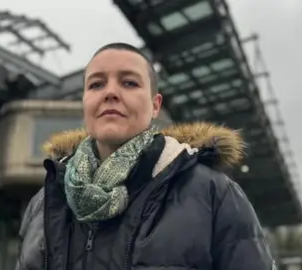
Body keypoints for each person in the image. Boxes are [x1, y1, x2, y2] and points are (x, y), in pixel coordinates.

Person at [15, 42, 275, 270]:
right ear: (84, 101)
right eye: (96, 84)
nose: (110, 92)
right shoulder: (44, 203)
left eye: (129, 82)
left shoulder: (214, 195)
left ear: (155, 105)